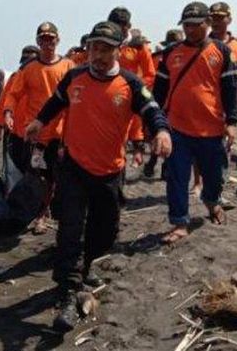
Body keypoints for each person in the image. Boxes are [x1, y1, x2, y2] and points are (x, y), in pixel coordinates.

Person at [24, 21, 171, 332]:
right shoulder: (75, 76)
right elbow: (56, 101)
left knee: (105, 233)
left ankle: (87, 264)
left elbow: (152, 109)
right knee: (70, 230)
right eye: (94, 47)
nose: (98, 54)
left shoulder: (130, 83)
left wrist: (160, 131)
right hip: (74, 167)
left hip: (109, 171)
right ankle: (67, 293)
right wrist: (39, 121)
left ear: (118, 50)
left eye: (105, 49)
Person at [153, 2, 237, 244]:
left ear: (208, 23)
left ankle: (212, 203)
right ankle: (180, 222)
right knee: (177, 177)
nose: (190, 30)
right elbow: (159, 92)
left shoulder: (221, 52)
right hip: (176, 128)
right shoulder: (171, 53)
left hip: (211, 128)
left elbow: (230, 89)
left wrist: (231, 121)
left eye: (195, 25)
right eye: (186, 25)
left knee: (214, 175)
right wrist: (156, 126)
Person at [2, 22, 75, 234]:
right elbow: (13, 94)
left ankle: (46, 213)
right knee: (36, 174)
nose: (47, 43)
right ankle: (38, 215)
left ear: (58, 40)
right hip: (37, 132)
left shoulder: (68, 67)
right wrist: (8, 113)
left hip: (62, 132)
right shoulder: (29, 68)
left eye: (51, 38)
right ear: (37, 41)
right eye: (43, 39)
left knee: (57, 177)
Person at [108, 7, 156, 167]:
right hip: (106, 96)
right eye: (115, 24)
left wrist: (136, 89)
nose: (119, 28)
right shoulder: (106, 42)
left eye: (122, 25)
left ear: (128, 25)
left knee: (133, 130)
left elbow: (150, 74)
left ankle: (136, 151)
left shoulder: (138, 46)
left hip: (129, 96)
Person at [0, 45, 40, 171]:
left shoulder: (44, 76)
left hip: (39, 135)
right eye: (25, 62)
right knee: (16, 171)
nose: (27, 65)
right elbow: (3, 101)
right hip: (17, 134)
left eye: (31, 62)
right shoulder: (15, 77)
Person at [144, 29, 184, 178]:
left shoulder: (187, 56)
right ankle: (155, 162)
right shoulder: (160, 58)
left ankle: (162, 165)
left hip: (176, 103)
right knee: (159, 132)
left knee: (170, 135)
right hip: (161, 100)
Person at [209, 2, 237, 75]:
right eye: (213, 18)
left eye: (219, 18)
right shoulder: (202, 44)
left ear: (229, 20)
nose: (215, 22)